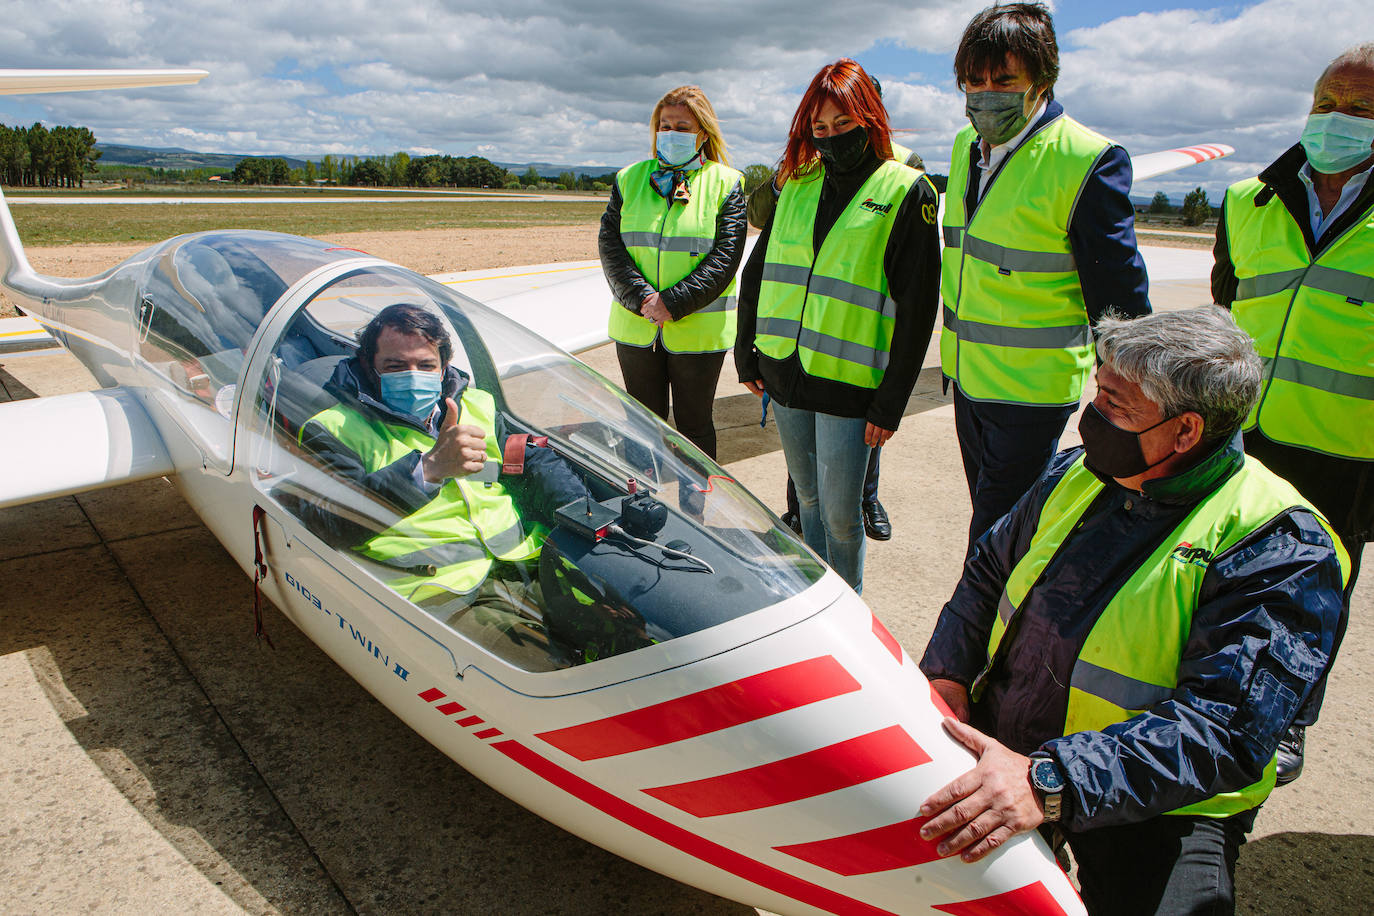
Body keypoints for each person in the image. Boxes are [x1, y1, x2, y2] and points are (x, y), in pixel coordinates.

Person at [917, 307, 1348, 916]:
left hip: (1161, 796)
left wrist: (1051, 780)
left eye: (1115, 406)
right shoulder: (1080, 472)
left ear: (1186, 431)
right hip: (1007, 748)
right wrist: (950, 673)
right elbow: (987, 574)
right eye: (1098, 395)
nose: (1090, 419)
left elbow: (1223, 730)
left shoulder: (1279, 545)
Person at [1211, 42, 1374, 784]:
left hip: (1347, 453)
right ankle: (1215, 701)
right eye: (1326, 103)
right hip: (1246, 437)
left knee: (1316, 597)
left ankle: (1289, 718)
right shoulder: (1250, 200)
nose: (1337, 120)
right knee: (1223, 575)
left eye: (1360, 110)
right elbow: (1226, 302)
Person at [941, 2, 1149, 553]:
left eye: (1004, 80)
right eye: (974, 80)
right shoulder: (966, 146)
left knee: (992, 537)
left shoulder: (1088, 160)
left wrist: (1128, 400)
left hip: (1029, 396)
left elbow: (1121, 301)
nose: (986, 94)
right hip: (967, 381)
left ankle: (986, 635)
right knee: (999, 527)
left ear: (1043, 82)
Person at [734, 58, 940, 592]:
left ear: (870, 119)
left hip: (850, 386)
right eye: (819, 128)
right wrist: (746, 350)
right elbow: (759, 269)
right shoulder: (797, 184)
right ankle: (816, 601)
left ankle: (848, 615)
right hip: (784, 374)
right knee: (806, 504)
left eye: (843, 125)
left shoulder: (905, 190)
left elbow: (917, 311)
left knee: (844, 519)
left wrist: (891, 401)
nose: (830, 138)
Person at [294, 304, 590, 667]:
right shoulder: (334, 428)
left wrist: (583, 514)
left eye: (425, 365)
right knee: (551, 672)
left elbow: (529, 460)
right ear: (371, 368)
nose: (412, 375)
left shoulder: (475, 404)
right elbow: (328, 521)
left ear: (443, 366)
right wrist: (427, 469)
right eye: (395, 366)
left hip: (523, 562)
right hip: (439, 588)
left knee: (631, 635)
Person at [599, 85, 746, 460]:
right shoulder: (629, 179)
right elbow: (610, 246)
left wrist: (674, 303)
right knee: (642, 424)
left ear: (703, 133)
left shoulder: (727, 184)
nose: (671, 134)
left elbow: (724, 258)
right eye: (665, 126)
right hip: (637, 325)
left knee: (694, 427)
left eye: (682, 127)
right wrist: (644, 300)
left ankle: (696, 511)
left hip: (698, 332)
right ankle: (644, 507)